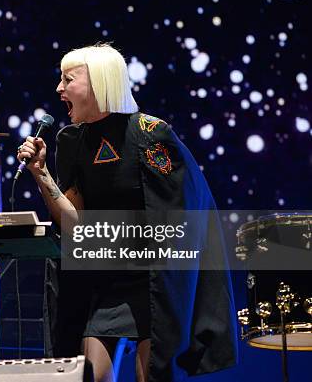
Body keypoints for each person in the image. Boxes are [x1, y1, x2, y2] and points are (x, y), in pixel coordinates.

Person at [17, 44, 237, 382]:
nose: (59, 89)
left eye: (67, 79)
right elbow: (74, 224)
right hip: (106, 281)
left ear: (99, 83)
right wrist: (40, 172)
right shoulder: (71, 141)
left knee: (151, 373)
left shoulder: (150, 134)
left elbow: (181, 216)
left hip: (153, 279)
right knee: (90, 373)